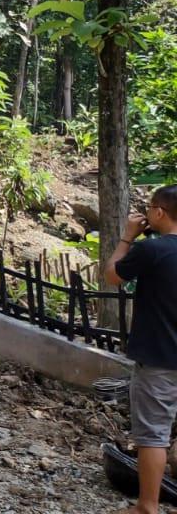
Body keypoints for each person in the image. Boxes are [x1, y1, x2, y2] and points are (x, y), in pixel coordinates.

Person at [105, 184, 177, 514]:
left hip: (160, 359)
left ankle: (147, 505)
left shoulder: (152, 250)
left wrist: (126, 237)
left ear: (159, 213)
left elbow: (112, 276)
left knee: (153, 434)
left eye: (149, 208)